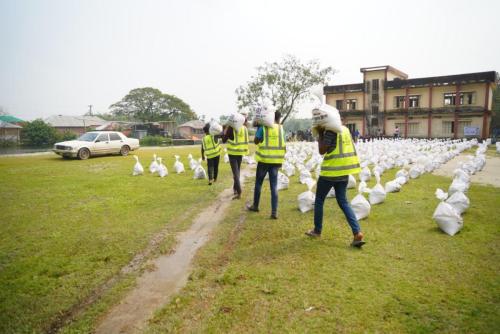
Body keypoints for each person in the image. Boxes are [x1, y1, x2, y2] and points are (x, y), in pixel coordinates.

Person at [305, 124, 365, 248]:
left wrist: (321, 133)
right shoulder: (346, 130)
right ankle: (357, 232)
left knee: (319, 200)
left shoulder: (331, 131)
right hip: (344, 171)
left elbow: (322, 150)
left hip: (330, 171)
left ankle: (317, 231)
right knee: (343, 201)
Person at [246, 111, 286, 219]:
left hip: (264, 161)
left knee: (259, 183)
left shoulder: (263, 127)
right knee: (274, 186)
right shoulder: (281, 128)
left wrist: (259, 128)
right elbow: (284, 144)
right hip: (276, 161)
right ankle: (274, 212)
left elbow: (255, 141)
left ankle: (255, 206)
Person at [222, 114, 249, 199]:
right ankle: (235, 188)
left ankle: (239, 192)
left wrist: (225, 128)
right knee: (237, 171)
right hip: (240, 152)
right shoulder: (244, 128)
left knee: (235, 173)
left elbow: (223, 140)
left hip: (233, 153)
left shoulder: (231, 128)